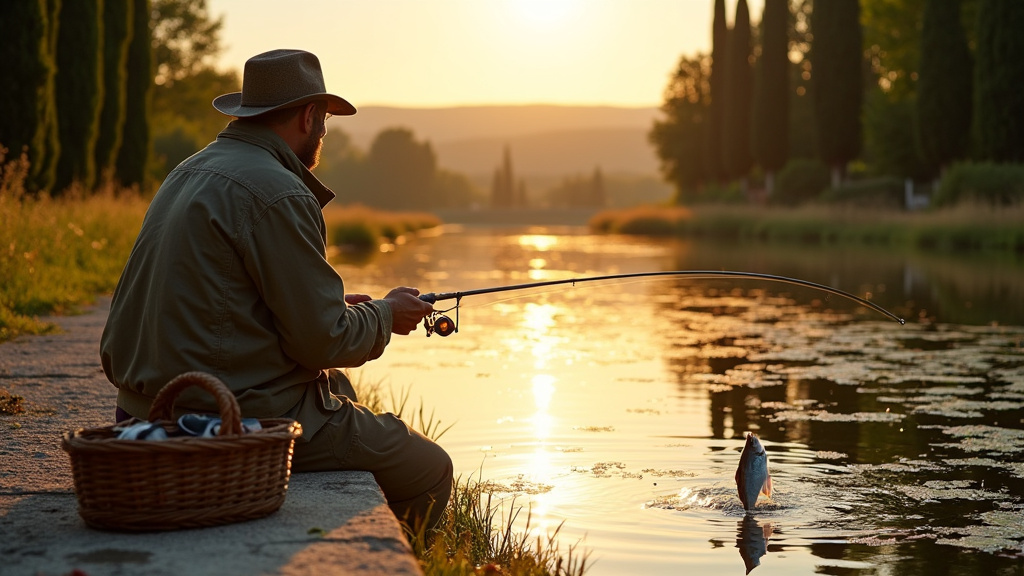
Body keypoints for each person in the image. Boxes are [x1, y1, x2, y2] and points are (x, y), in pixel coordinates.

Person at [100, 49, 453, 532]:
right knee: (430, 466)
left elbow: (225, 297)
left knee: (341, 391)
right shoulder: (280, 190)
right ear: (308, 116)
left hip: (141, 407)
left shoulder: (188, 171)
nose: (325, 133)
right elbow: (324, 342)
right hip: (223, 420)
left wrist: (336, 308)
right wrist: (387, 314)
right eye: (325, 121)